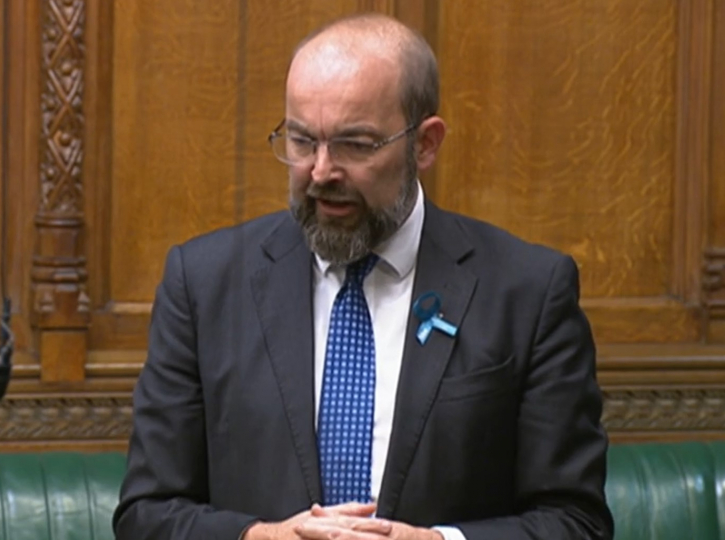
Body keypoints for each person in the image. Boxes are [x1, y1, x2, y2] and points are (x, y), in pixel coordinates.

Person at [113, 12, 613, 540]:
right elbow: (146, 514)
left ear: (425, 144)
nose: (321, 171)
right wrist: (261, 537)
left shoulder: (528, 291)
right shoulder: (204, 285)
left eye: (354, 144)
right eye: (302, 141)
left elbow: (575, 522)